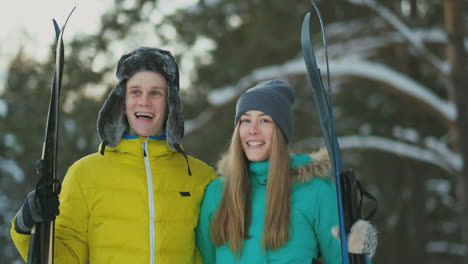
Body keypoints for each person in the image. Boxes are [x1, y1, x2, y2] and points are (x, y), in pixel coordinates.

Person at [11, 47, 217, 263]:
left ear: (170, 102)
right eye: (135, 91)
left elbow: (217, 253)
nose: (144, 101)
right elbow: (65, 258)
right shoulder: (85, 174)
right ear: (121, 100)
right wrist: (27, 226)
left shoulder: (201, 177)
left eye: (155, 93)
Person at [195, 80, 377, 263]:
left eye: (264, 120)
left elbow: (342, 258)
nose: (253, 130)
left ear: (281, 131)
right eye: (245, 120)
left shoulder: (315, 190)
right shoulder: (217, 193)